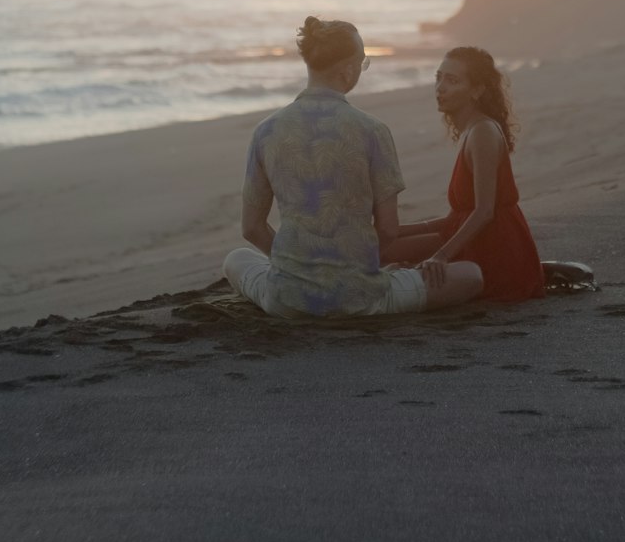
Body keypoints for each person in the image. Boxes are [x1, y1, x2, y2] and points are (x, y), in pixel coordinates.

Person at [223, 16, 483, 319]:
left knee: (237, 258)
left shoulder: (266, 131)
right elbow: (387, 228)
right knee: (471, 275)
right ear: (347, 70)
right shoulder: (372, 131)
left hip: (287, 300)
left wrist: (295, 270)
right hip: (361, 297)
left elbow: (251, 228)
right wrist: (367, 268)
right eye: (363, 63)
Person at [387, 46, 545, 302]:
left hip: (495, 248)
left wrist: (441, 256)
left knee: (386, 254)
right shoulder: (471, 129)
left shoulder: (482, 132)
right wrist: (398, 230)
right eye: (438, 77)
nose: (440, 88)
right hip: (472, 235)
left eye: (452, 80)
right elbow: (458, 216)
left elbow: (484, 212)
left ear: (477, 90)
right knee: (385, 246)